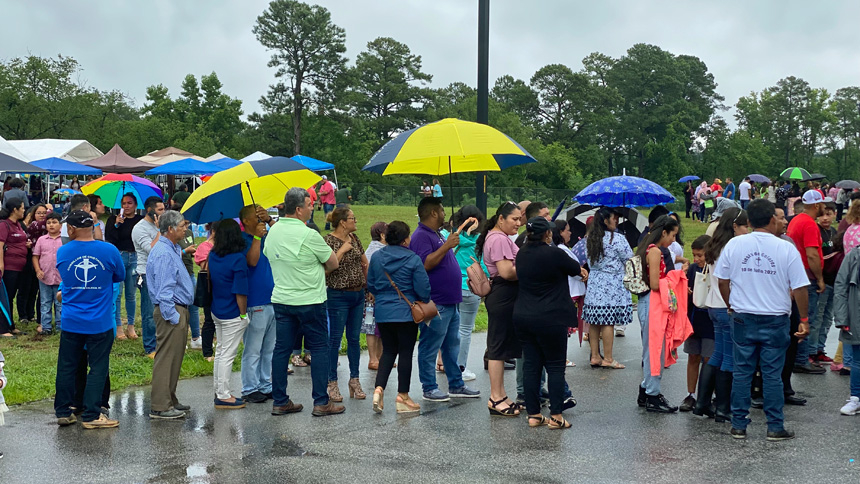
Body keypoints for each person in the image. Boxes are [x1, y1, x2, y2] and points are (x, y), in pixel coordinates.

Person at [714, 199, 810, 441]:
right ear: (771, 219)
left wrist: (730, 304)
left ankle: (738, 424)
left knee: (742, 372)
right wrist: (805, 319)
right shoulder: (786, 248)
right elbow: (799, 288)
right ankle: (775, 426)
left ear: (748, 221)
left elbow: (722, 281)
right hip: (775, 318)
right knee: (772, 374)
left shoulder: (735, 245)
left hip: (743, 315)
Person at [265, 187, 343, 417]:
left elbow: (269, 256)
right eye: (309, 205)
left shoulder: (273, 232)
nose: (312, 208)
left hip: (282, 298)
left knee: (282, 349)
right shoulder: (309, 234)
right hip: (310, 298)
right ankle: (321, 401)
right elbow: (332, 263)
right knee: (319, 348)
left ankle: (279, 400)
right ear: (298, 209)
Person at [53, 211, 125, 429]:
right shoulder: (109, 250)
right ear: (93, 226)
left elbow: (64, 280)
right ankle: (92, 414)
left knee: (67, 366)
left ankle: (64, 411)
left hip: (71, 319)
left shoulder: (63, 251)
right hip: (99, 320)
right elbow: (119, 276)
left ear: (72, 229)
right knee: (98, 367)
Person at [514, 217, 585, 429]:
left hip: (524, 316)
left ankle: (534, 414)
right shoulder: (554, 253)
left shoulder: (521, 254)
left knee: (531, 366)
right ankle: (556, 416)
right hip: (551, 317)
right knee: (555, 367)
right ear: (547, 235)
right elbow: (575, 268)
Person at [409, 198, 480, 402]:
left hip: (450, 300)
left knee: (451, 345)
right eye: (441, 210)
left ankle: (456, 384)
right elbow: (425, 264)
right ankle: (429, 387)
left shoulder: (437, 234)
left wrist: (449, 244)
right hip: (436, 301)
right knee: (430, 345)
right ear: (432, 213)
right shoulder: (421, 236)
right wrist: (446, 246)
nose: (443, 213)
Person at [367, 221, 429, 414]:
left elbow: (371, 284)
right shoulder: (413, 259)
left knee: (388, 351)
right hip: (406, 312)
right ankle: (403, 396)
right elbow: (424, 290)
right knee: (405, 352)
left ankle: (379, 389)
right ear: (405, 239)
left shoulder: (377, 257)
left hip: (383, 311)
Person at [693, 207, 748, 421]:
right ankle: (724, 407)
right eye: (744, 225)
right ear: (735, 226)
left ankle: (702, 402)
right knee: (728, 357)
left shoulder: (714, 244)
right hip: (727, 305)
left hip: (713, 304)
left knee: (716, 354)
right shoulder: (733, 247)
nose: (747, 230)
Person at [147, 211, 195, 418]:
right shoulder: (164, 253)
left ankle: (170, 398)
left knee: (175, 358)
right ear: (170, 229)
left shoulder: (173, 248)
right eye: (182, 226)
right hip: (171, 310)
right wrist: (173, 316)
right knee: (166, 358)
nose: (186, 229)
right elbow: (164, 289)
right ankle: (160, 405)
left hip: (177, 308)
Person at [477, 201, 523, 416]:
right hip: (504, 294)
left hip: (504, 295)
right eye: (514, 219)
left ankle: (501, 395)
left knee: (501, 347)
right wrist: (528, 267)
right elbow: (506, 272)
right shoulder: (498, 239)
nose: (519, 223)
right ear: (501, 218)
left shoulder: (498, 237)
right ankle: (495, 397)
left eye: (520, 218)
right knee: (497, 347)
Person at [635, 215, 683, 413]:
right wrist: (674, 279)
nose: (674, 240)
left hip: (649, 303)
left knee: (651, 350)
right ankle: (653, 394)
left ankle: (647, 390)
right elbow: (655, 283)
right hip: (653, 302)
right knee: (655, 351)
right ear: (664, 232)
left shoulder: (647, 248)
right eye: (673, 235)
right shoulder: (655, 252)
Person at [324, 206, 368, 402]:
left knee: (354, 339)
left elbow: (364, 262)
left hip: (357, 295)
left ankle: (354, 379)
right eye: (352, 218)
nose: (355, 221)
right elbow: (326, 269)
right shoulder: (328, 241)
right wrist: (342, 250)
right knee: (335, 340)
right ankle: (331, 382)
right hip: (338, 295)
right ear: (342, 222)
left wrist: (369, 286)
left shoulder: (355, 239)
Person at [207, 219, 251, 410]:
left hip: (217, 308)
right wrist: (243, 315)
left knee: (220, 352)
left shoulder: (213, 255)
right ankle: (224, 395)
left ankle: (219, 390)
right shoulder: (238, 258)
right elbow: (240, 291)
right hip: (233, 311)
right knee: (228, 354)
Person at [583, 207, 632, 369]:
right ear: (605, 221)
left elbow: (589, 262)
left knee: (594, 322)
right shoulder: (617, 239)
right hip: (611, 284)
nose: (616, 221)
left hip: (595, 282)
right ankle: (609, 358)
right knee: (608, 322)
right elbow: (629, 259)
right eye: (614, 218)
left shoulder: (590, 238)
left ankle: (595, 356)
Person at [238, 205, 278, 404]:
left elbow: (281, 241)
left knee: (269, 348)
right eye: (256, 215)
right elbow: (252, 261)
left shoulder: (266, 236)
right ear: (246, 220)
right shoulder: (243, 239)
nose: (259, 217)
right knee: (253, 348)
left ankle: (265, 383)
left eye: (261, 214)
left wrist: (269, 220)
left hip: (272, 298)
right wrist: (256, 237)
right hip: (255, 301)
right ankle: (249, 387)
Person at [786, 190, 827, 374]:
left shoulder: (796, 219)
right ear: (817, 205)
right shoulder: (810, 224)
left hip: (794, 275)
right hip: (806, 276)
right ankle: (802, 359)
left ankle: (796, 356)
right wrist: (819, 278)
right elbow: (811, 254)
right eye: (823, 204)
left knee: (797, 318)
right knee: (806, 318)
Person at [449, 206, 488, 381]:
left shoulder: (452, 238)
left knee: (451, 328)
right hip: (471, 287)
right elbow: (484, 265)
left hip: (452, 286)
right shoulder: (480, 240)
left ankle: (447, 363)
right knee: (465, 330)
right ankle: (460, 367)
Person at [680, 235, 714, 412]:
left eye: (700, 255)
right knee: (693, 356)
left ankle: (706, 395)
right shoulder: (692, 269)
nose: (697, 259)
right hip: (694, 319)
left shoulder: (716, 269)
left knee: (709, 358)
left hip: (710, 319)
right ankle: (690, 394)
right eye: (694, 255)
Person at [105, 193, 144, 340]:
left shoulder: (140, 221)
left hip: (134, 257)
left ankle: (131, 326)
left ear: (135, 205)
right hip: (119, 256)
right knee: (118, 293)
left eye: (129, 203)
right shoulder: (112, 219)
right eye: (123, 203)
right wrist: (116, 225)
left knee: (131, 294)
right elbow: (109, 239)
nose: (126, 206)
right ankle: (118, 326)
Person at [131, 196, 166, 357]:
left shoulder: (159, 227)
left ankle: (161, 343)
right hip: (146, 273)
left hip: (162, 272)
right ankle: (150, 347)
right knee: (149, 312)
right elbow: (151, 250)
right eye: (160, 210)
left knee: (162, 310)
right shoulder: (140, 229)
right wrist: (160, 231)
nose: (163, 212)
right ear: (150, 211)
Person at [808, 200, 839, 364]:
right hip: (822, 281)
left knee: (828, 318)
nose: (825, 218)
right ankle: (811, 350)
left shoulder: (834, 232)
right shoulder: (816, 231)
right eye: (823, 215)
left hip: (834, 281)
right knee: (817, 317)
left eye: (829, 214)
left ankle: (820, 348)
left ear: (834, 215)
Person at [833, 238, 860, 415]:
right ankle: (856, 398)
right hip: (856, 314)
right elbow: (841, 286)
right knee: (858, 359)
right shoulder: (854, 255)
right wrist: (842, 318)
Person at [0, 199, 30, 337]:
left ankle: (10, 325)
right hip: (9, 266)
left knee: (11, 296)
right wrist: (1, 264)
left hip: (19, 267)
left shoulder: (18, 225)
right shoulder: (4, 225)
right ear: (14, 210)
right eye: (22, 208)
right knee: (5, 297)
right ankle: (3, 329)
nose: (24, 210)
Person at [32, 212, 63, 334]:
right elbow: (35, 256)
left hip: (60, 277)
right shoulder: (41, 240)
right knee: (45, 302)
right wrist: (38, 270)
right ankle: (46, 327)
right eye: (49, 223)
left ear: (60, 225)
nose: (51, 225)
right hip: (45, 276)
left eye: (54, 222)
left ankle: (61, 326)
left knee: (60, 303)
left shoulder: (65, 240)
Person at [364, 222, 388, 370]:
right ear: (382, 235)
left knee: (380, 326)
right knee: (371, 326)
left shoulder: (381, 249)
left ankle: (380, 357)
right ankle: (373, 358)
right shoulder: (374, 250)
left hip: (380, 293)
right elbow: (367, 271)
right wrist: (370, 289)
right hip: (372, 295)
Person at [194, 223, 217, 361]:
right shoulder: (204, 247)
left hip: (223, 287)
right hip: (210, 286)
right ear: (213, 231)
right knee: (209, 320)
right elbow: (205, 267)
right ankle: (207, 352)